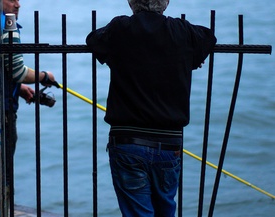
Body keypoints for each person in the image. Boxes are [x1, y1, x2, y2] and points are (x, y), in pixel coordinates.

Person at [86, 0, 216, 216]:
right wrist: (191, 58)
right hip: (169, 142)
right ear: (166, 3)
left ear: (131, 3)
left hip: (128, 141)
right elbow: (208, 37)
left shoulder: (120, 29)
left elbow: (93, 40)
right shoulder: (182, 31)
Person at [0, 0, 57, 214]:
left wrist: (18, 88)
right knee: (3, 174)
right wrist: (44, 76)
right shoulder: (8, 24)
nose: (18, 5)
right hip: (2, 112)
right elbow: (17, 71)